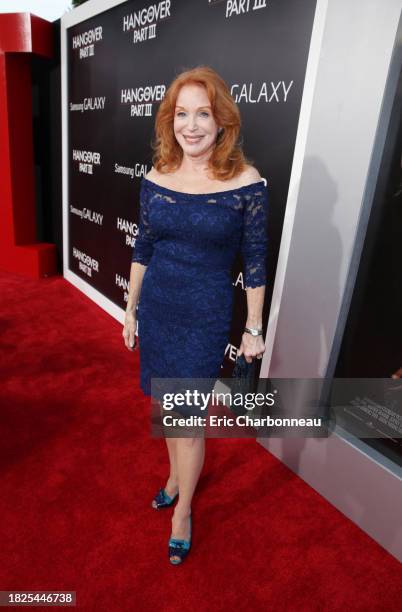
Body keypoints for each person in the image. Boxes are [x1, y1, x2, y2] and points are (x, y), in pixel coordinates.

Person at [122, 65, 269, 564]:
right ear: (170, 120)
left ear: (221, 120)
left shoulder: (246, 183)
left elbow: (254, 260)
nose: (191, 125)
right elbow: (143, 246)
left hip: (204, 316)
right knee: (166, 411)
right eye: (181, 113)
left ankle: (184, 510)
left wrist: (253, 326)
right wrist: (130, 310)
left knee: (187, 419)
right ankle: (172, 478)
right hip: (159, 309)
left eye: (202, 113)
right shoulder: (156, 176)